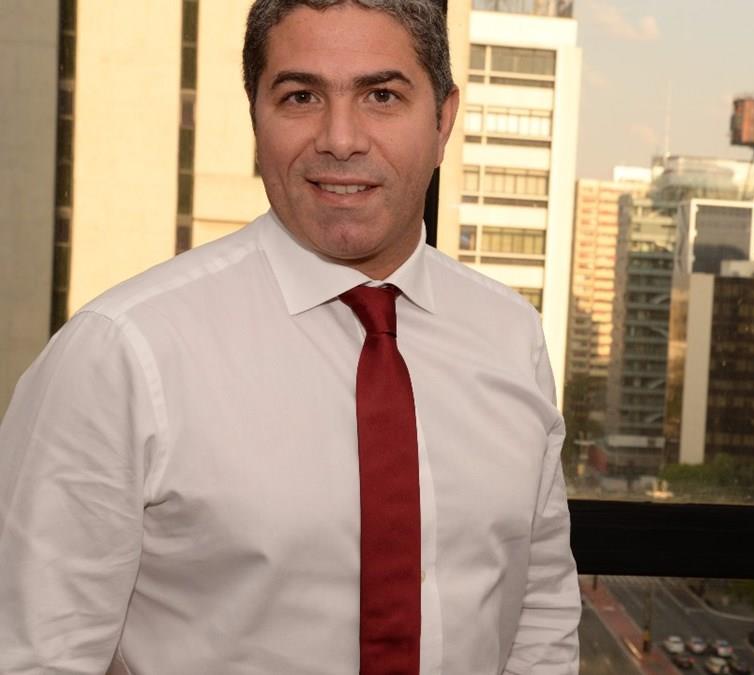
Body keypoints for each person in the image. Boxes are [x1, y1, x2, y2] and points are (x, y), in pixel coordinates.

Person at [0, 1, 580, 673]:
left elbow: (539, 613)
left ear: (444, 118)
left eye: (382, 96)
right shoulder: (121, 354)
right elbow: (36, 653)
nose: (341, 139)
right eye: (301, 96)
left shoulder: (511, 335)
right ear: (255, 115)